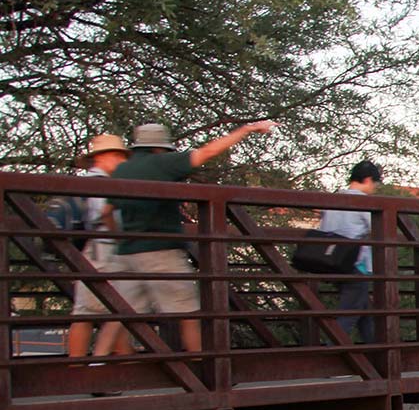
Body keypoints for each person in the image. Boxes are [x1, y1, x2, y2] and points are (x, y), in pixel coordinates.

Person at [99, 120, 276, 357]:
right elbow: (209, 151)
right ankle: (203, 370)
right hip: (162, 250)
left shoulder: (121, 170)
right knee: (188, 314)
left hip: (128, 253)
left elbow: (105, 213)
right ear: (160, 147)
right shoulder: (165, 163)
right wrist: (247, 130)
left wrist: (118, 236)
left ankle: (95, 366)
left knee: (120, 314)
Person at [63, 134, 131, 357]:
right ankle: (95, 368)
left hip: (88, 252)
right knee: (110, 310)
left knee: (105, 311)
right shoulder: (102, 185)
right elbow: (106, 215)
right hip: (102, 252)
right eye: (120, 157)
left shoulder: (84, 182)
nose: (123, 163)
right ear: (105, 157)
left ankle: (115, 366)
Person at [317, 160, 382, 344]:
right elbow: (379, 228)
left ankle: (376, 356)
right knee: (350, 313)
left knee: (364, 312)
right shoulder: (362, 201)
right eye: (375, 184)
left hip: (334, 262)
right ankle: (332, 358)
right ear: (368, 180)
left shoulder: (332, 201)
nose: (375, 189)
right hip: (356, 265)